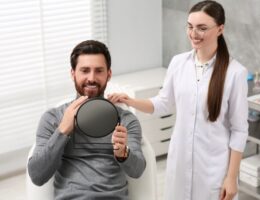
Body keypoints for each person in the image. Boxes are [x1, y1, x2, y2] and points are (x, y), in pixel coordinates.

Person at [108, 1, 248, 200]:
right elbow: (162, 103)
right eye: (190, 26)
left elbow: (239, 130)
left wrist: (231, 177)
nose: (194, 33)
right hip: (180, 162)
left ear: (220, 29)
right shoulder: (179, 63)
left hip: (213, 169)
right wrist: (129, 100)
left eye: (202, 28)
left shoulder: (235, 73)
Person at [28, 40, 146, 200]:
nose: (91, 78)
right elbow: (37, 176)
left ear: (108, 74)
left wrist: (122, 152)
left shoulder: (126, 119)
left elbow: (137, 171)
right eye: (85, 70)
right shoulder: (53, 118)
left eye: (99, 71)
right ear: (73, 73)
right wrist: (63, 130)